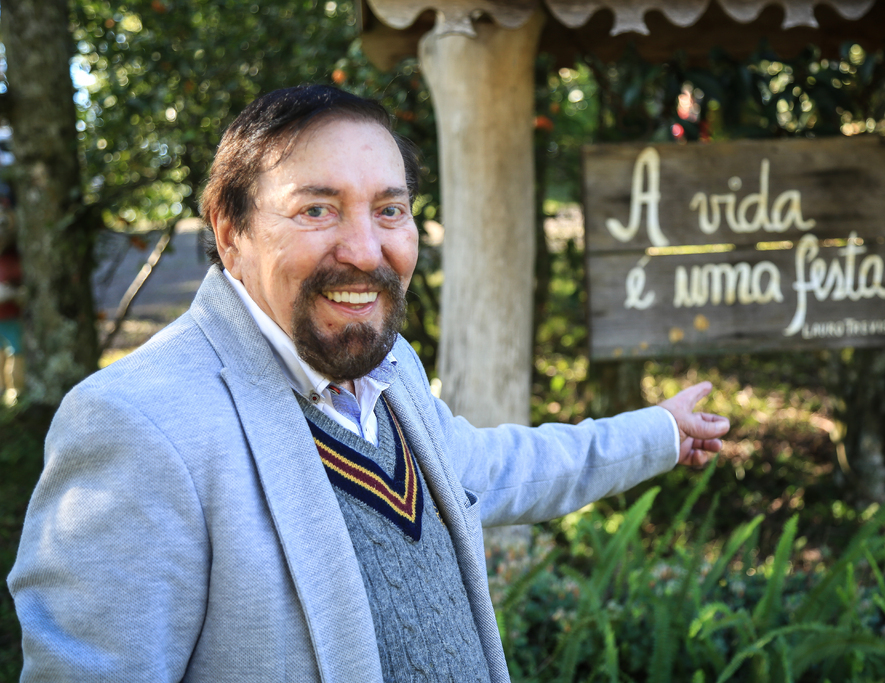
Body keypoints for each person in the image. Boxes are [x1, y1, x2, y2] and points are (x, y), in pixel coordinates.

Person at [8, 86, 729, 682]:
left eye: (389, 209)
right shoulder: (137, 422)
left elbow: (497, 469)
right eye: (316, 209)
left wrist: (659, 432)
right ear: (229, 230)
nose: (364, 249)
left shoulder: (390, 373)